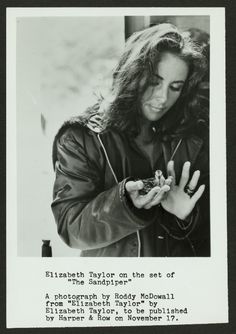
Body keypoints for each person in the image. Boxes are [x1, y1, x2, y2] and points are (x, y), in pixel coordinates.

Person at [51, 23, 210, 257]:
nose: (163, 98)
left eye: (175, 87)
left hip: (176, 286)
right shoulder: (80, 138)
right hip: (116, 287)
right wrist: (124, 202)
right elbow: (71, 227)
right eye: (154, 82)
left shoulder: (194, 136)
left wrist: (188, 216)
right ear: (132, 74)